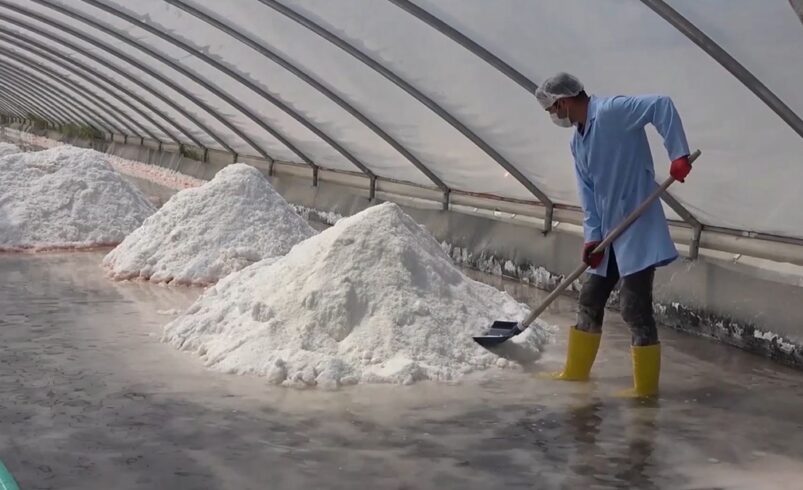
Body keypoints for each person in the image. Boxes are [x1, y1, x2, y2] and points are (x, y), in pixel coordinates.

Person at [535, 73, 692, 397]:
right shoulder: (577, 141)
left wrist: (678, 154)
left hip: (637, 226)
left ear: (563, 101)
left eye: (551, 109)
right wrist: (592, 238)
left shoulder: (612, 112)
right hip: (608, 234)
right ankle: (575, 373)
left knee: (635, 308)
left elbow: (659, 105)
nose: (553, 115)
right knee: (590, 299)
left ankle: (645, 391)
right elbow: (588, 195)